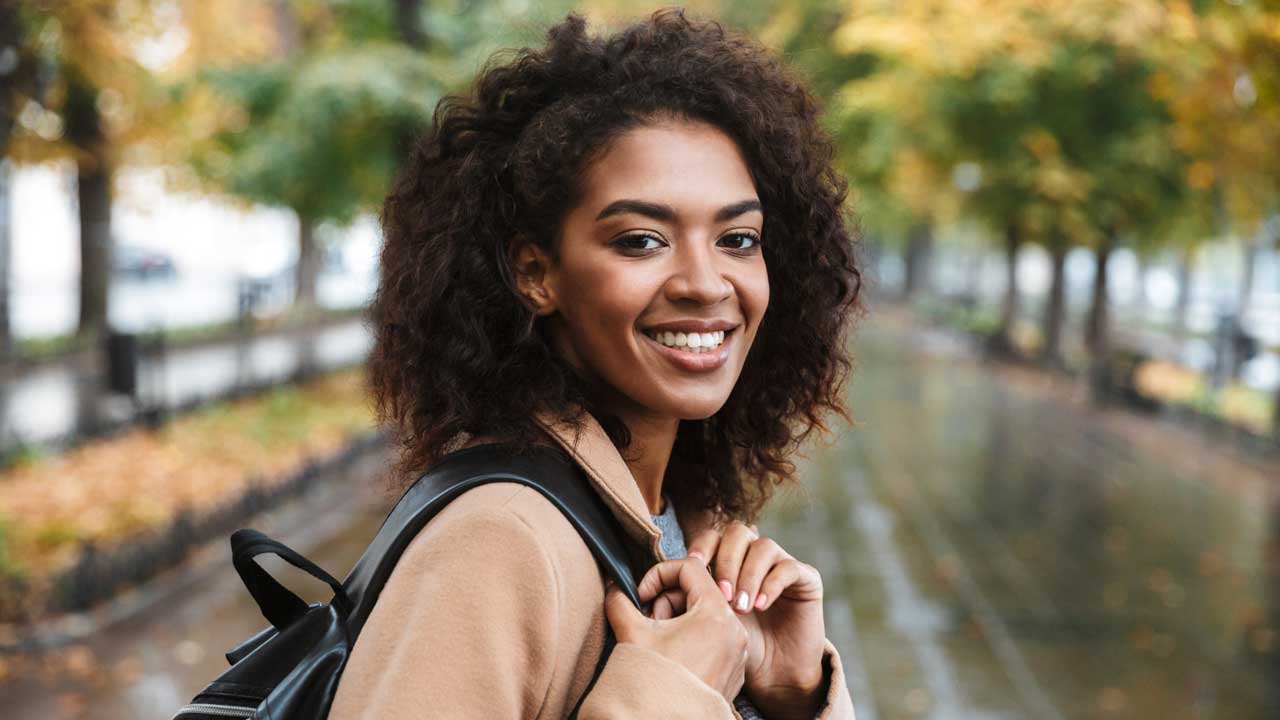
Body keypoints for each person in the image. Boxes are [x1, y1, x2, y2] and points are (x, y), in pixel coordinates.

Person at [330, 7, 861, 718]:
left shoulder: (677, 524)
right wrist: (668, 693)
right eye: (641, 240)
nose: (706, 283)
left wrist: (789, 694)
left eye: (737, 239)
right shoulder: (498, 540)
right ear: (535, 273)